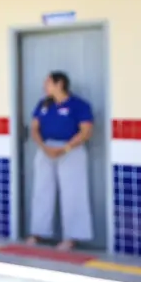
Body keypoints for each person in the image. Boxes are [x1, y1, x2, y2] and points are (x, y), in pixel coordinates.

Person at [28, 71, 95, 251]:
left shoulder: (79, 105)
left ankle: (72, 237)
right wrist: (44, 147)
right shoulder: (43, 104)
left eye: (48, 82)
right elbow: (34, 128)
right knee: (42, 191)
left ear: (60, 84)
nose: (44, 86)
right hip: (46, 149)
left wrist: (64, 149)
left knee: (73, 193)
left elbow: (86, 131)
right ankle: (38, 232)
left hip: (70, 150)